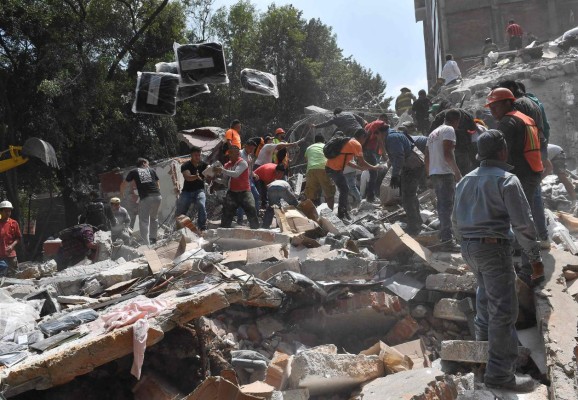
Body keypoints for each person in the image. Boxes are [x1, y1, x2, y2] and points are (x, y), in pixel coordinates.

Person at [452, 129, 541, 392]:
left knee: (485, 294)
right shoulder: (507, 180)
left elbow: (454, 222)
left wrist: (467, 243)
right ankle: (500, 374)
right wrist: (534, 258)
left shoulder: (465, 180)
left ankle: (484, 348)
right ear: (503, 151)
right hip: (492, 248)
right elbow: (523, 225)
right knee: (504, 312)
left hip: (470, 248)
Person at [485, 87, 544, 280]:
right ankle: (524, 259)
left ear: (507, 102)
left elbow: (499, 151)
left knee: (520, 220)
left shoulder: (508, 122)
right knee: (522, 216)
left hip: (522, 172)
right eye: (490, 106)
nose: (492, 110)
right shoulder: (525, 118)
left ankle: (529, 270)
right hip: (532, 169)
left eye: (495, 105)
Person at [425, 110, 462, 250]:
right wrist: (457, 172)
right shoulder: (449, 129)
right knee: (447, 206)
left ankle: (444, 235)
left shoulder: (433, 133)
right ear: (456, 120)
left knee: (442, 206)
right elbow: (447, 153)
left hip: (435, 173)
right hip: (445, 173)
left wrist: (428, 174)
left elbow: (427, 156)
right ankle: (447, 240)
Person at [325, 129, 380, 220]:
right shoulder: (356, 144)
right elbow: (362, 162)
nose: (364, 142)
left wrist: (358, 168)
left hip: (331, 168)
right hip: (335, 170)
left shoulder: (348, 142)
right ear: (363, 136)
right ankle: (342, 213)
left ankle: (343, 211)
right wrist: (375, 167)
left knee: (344, 189)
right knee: (345, 189)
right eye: (365, 139)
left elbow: (347, 162)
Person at [384, 127, 425, 235]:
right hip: (414, 166)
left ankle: (414, 227)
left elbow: (399, 157)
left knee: (407, 197)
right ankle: (417, 221)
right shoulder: (394, 135)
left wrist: (395, 175)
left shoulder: (391, 138)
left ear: (379, 132)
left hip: (411, 168)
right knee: (411, 195)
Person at [215, 146, 260, 229]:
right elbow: (224, 181)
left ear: (238, 154)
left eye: (233, 153)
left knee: (251, 210)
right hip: (232, 192)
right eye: (230, 153)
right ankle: (223, 231)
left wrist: (222, 170)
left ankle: (256, 230)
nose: (231, 155)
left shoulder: (243, 163)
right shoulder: (226, 165)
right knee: (226, 213)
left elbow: (236, 174)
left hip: (245, 192)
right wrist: (214, 178)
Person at [121, 158, 162, 245]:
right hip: (158, 197)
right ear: (143, 163)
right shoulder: (151, 170)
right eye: (148, 163)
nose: (149, 165)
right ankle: (153, 239)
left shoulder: (134, 171)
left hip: (146, 198)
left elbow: (124, 184)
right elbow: (158, 183)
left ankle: (146, 244)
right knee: (154, 218)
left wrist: (122, 193)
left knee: (144, 221)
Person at [430, 107, 478, 175]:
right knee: (463, 174)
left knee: (450, 173)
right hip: (461, 149)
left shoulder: (440, 116)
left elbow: (432, 133)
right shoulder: (467, 115)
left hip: (448, 151)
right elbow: (473, 129)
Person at [177, 146, 208, 231]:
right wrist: (196, 176)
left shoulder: (204, 165)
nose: (198, 157)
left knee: (201, 204)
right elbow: (188, 177)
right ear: (191, 155)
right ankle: (180, 228)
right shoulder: (185, 165)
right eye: (195, 155)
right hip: (187, 191)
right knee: (181, 209)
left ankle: (202, 227)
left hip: (199, 190)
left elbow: (210, 173)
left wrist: (213, 172)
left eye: (199, 155)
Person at [304, 135, 335, 209]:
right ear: (323, 140)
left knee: (311, 195)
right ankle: (331, 214)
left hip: (311, 170)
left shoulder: (309, 148)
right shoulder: (325, 146)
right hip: (323, 169)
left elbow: (306, 160)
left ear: (315, 141)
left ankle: (312, 216)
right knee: (329, 193)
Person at [362, 114, 389, 202]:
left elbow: (375, 138)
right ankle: (370, 196)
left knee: (373, 174)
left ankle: (369, 195)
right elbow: (380, 140)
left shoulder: (372, 124)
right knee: (374, 174)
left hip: (368, 151)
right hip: (368, 151)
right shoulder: (378, 124)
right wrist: (384, 155)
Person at [237, 138, 261, 225]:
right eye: (251, 148)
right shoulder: (239, 153)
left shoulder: (249, 156)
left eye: (253, 149)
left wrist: (254, 174)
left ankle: (255, 217)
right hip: (241, 180)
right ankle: (240, 219)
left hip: (249, 179)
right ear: (246, 146)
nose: (252, 150)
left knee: (256, 197)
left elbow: (249, 169)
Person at [0, 201, 21, 275]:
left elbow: (18, 238)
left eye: (9, 211)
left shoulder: (14, 223)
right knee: (2, 276)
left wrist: (12, 246)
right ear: (1, 211)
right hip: (0, 256)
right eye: (6, 211)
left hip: (11, 255)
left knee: (15, 275)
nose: (8, 213)